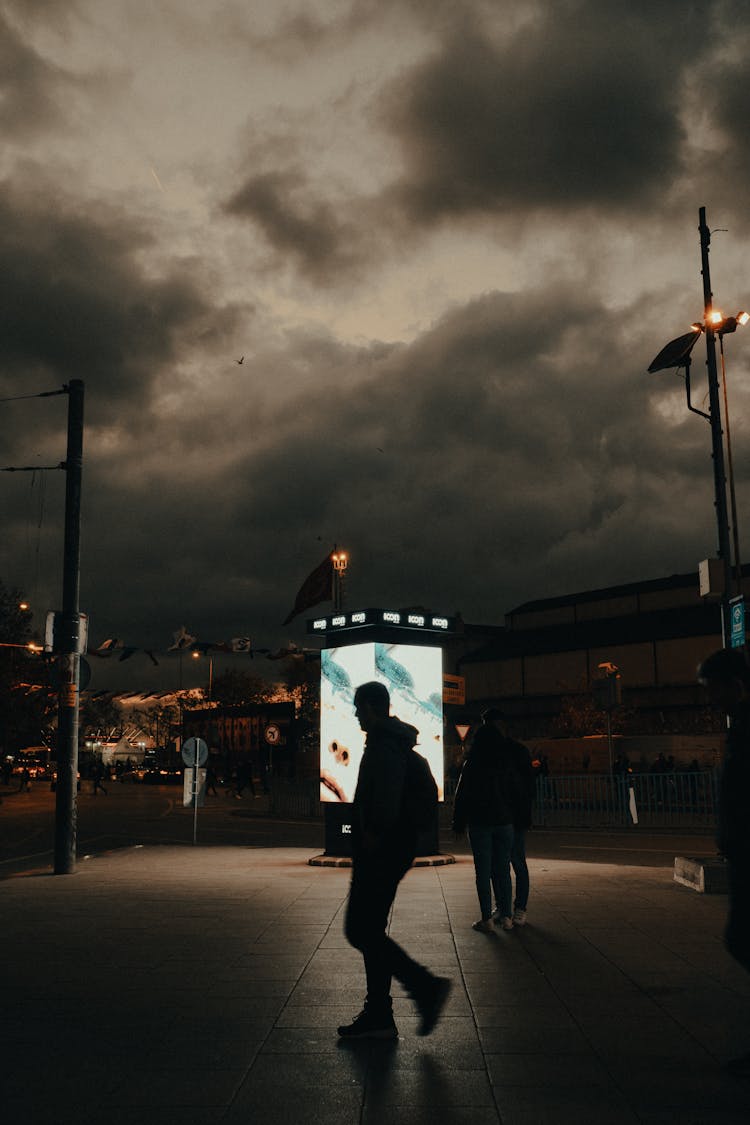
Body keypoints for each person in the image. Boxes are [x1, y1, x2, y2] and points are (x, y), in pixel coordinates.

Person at [338, 681, 451, 1040]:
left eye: (359, 707)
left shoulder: (384, 746)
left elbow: (384, 800)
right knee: (370, 931)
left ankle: (425, 988)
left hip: (381, 851)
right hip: (392, 850)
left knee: (360, 930)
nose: (356, 714)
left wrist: (372, 837)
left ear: (372, 707)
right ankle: (379, 1014)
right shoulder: (391, 743)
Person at [697, 648, 750, 1076]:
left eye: (712, 687)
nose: (710, 697)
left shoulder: (748, 727)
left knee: (742, 938)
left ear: (734, 683)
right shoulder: (741, 726)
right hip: (742, 848)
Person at [452, 708, 534, 932]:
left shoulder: (474, 763)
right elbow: (520, 790)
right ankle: (509, 915)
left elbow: (462, 794)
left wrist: (458, 822)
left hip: (480, 823)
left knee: (484, 872)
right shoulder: (507, 759)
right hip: (506, 821)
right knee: (505, 868)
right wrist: (521, 816)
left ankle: (488, 917)